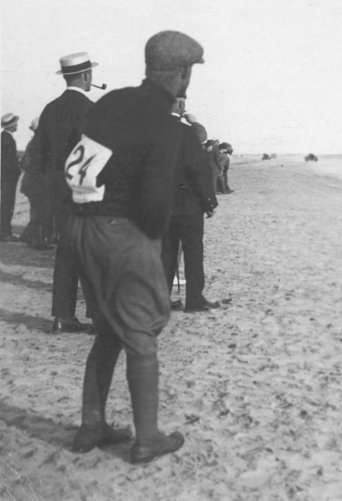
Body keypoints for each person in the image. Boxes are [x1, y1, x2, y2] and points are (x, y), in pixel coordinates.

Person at [67, 30, 204, 464]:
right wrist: (150, 238)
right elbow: (155, 203)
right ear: (182, 74)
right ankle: (147, 439)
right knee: (142, 328)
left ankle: (92, 424)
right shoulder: (165, 124)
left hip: (81, 225)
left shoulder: (111, 101)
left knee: (110, 326)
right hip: (121, 231)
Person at [37, 52, 99, 333]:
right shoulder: (90, 109)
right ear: (86, 76)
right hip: (84, 192)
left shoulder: (50, 109)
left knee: (66, 252)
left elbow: (38, 157)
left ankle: (62, 316)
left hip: (58, 194)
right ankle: (99, 318)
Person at [161, 99, 219, 313]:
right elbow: (198, 170)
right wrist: (209, 202)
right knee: (193, 252)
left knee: (165, 254)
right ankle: (194, 300)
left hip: (162, 205)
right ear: (181, 105)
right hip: (189, 205)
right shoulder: (188, 133)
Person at [19, 118, 53, 249]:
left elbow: (24, 163)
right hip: (38, 183)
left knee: (37, 211)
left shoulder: (32, 142)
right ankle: (37, 241)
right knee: (41, 212)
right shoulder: (40, 144)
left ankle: (29, 236)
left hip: (31, 183)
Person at [1, 113, 21, 241]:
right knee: (7, 204)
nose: (17, 125)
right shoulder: (8, 139)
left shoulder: (4, 137)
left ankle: (4, 231)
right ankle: (4, 232)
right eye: (15, 123)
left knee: (5, 203)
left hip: (5, 177)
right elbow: (9, 162)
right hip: (8, 178)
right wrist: (17, 169)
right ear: (11, 125)